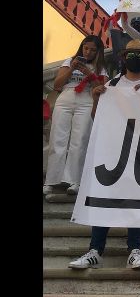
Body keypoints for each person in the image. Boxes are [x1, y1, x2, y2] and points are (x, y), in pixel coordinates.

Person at [68, 40, 140, 271]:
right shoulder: (113, 84)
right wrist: (98, 97)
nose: (135, 58)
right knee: (105, 196)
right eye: (132, 54)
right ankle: (95, 250)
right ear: (123, 57)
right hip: (113, 149)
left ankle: (135, 249)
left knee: (136, 199)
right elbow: (96, 118)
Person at [44, 36, 109, 195]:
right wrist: (72, 69)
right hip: (66, 98)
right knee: (57, 139)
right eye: (86, 48)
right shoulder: (69, 61)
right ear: (82, 47)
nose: (88, 52)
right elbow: (58, 85)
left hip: (86, 100)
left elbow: (103, 89)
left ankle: (74, 180)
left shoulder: (100, 68)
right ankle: (51, 180)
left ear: (98, 52)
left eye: (93, 50)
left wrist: (90, 74)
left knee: (79, 141)